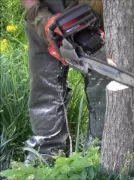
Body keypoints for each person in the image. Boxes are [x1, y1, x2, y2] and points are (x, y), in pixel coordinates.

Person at [20, 0, 107, 165]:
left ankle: (98, 156)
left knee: (104, 92)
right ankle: (45, 157)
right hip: (46, 12)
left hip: (94, 13)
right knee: (44, 89)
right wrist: (39, 17)